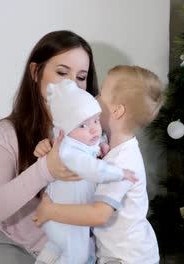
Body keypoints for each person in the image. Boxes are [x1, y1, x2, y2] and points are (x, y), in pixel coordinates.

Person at [0, 30, 99, 264]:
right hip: (14, 245)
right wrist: (45, 170)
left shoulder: (95, 133)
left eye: (81, 77)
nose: (72, 85)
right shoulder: (5, 133)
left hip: (73, 248)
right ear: (36, 72)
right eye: (62, 73)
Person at [32, 65, 165, 264]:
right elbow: (73, 148)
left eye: (101, 93)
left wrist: (51, 211)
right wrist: (48, 147)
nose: (95, 96)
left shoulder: (123, 163)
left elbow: (99, 215)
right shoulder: (108, 143)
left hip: (126, 258)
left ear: (117, 111)